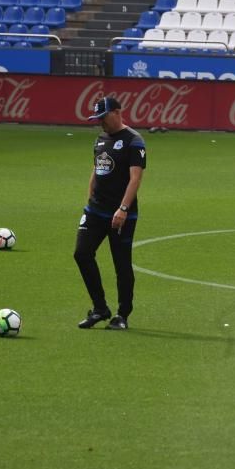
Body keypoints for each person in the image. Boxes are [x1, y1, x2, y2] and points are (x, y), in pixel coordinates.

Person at [74, 96, 147, 330]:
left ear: (117, 112)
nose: (100, 123)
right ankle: (99, 309)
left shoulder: (134, 141)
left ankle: (122, 315)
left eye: (103, 117)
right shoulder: (100, 139)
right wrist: (89, 198)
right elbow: (96, 171)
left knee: (121, 265)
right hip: (95, 211)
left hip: (121, 214)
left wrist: (123, 209)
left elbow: (135, 179)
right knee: (81, 254)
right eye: (97, 119)